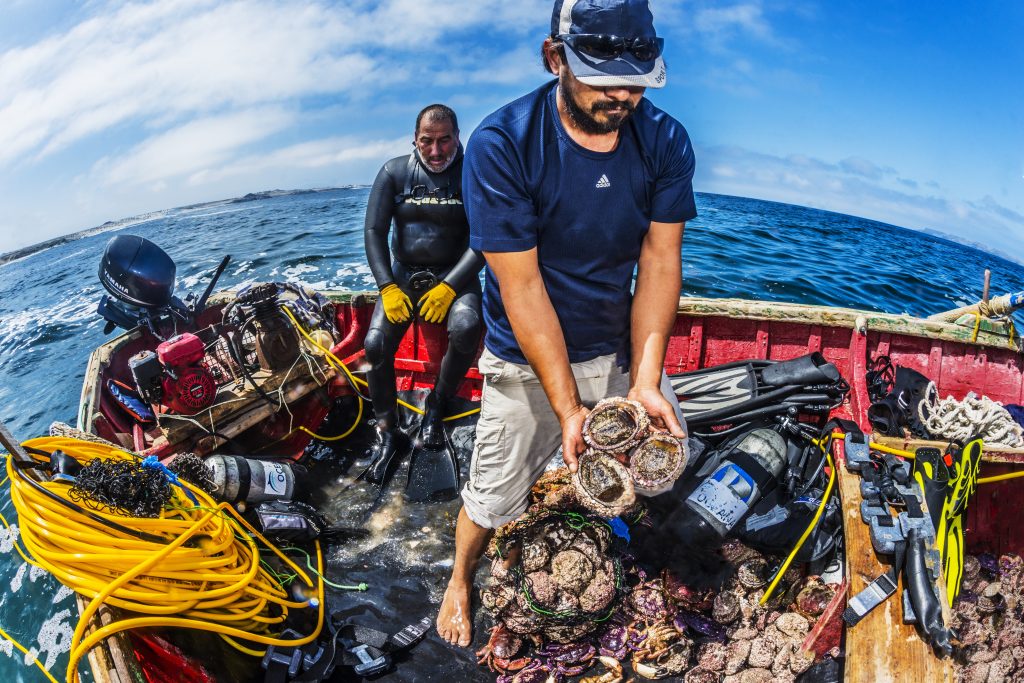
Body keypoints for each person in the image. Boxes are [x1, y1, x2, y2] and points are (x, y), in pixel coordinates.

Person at [437, 0, 697, 647]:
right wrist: (566, 405)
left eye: (634, 80)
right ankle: (458, 579)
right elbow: (521, 287)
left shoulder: (664, 141)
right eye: (600, 77)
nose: (620, 96)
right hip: (525, 357)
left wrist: (644, 380)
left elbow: (661, 263)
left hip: (613, 347)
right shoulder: (502, 144)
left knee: (666, 456)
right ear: (556, 59)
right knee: (491, 499)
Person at [362, 104, 484, 486]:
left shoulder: (473, 172)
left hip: (456, 277)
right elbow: (373, 233)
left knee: (466, 329)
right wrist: (387, 287)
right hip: (402, 277)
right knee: (374, 345)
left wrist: (449, 287)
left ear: (457, 136)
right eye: (427, 141)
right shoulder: (393, 172)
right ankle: (388, 430)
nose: (436, 151)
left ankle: (436, 408)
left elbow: (484, 239)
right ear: (414, 140)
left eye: (444, 140)